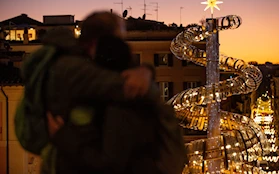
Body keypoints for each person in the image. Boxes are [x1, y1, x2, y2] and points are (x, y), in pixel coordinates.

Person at [46, 11, 187, 174]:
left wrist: (64, 138)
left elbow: (109, 164)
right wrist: (147, 74)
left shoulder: (122, 93)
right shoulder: (124, 87)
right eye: (120, 38)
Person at [16, 12, 156, 173]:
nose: (120, 46)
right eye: (118, 40)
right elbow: (134, 88)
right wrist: (146, 72)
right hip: (66, 163)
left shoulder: (72, 62)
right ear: (104, 41)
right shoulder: (74, 67)